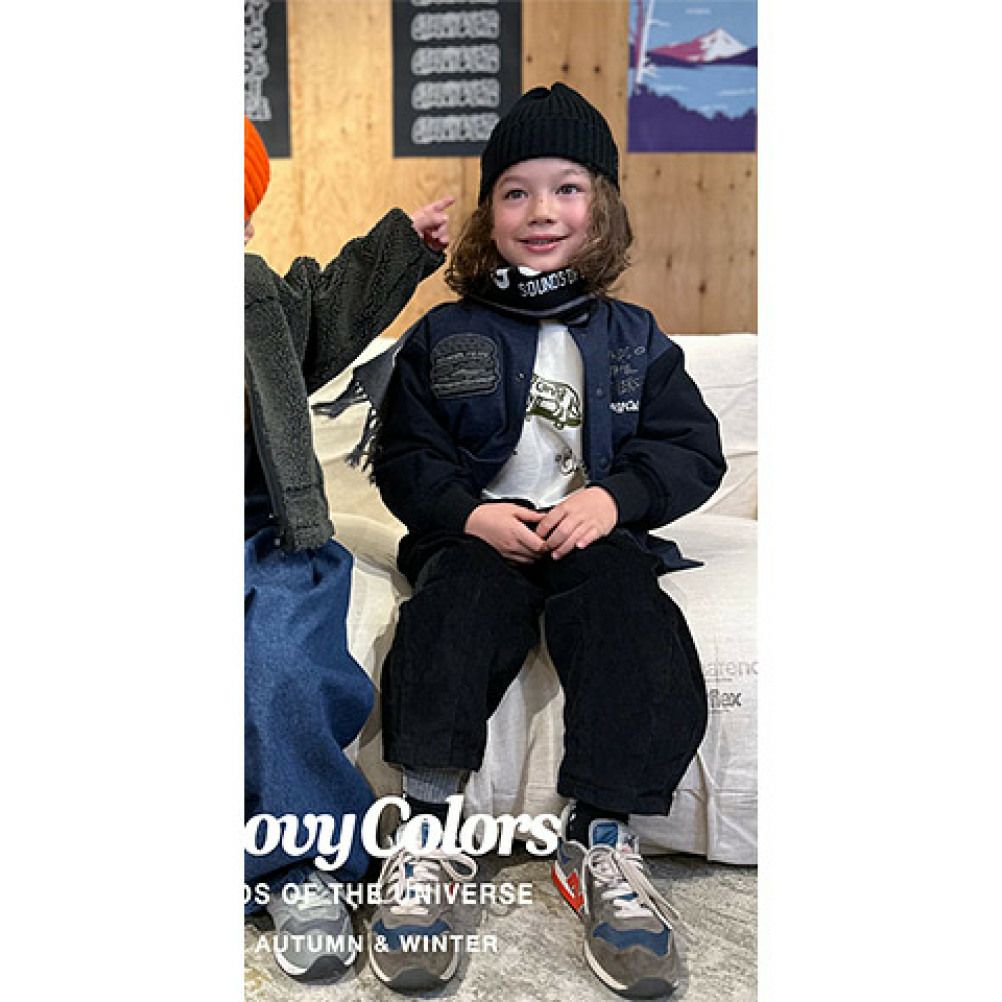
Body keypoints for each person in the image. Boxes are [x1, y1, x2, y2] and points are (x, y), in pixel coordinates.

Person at [367, 84, 726, 998]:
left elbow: (690, 450)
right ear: (489, 212)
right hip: (479, 536)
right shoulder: (445, 331)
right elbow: (406, 455)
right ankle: (427, 831)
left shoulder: (634, 337)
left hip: (593, 536)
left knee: (630, 613)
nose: (541, 211)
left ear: (601, 206)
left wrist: (613, 500)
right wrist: (466, 513)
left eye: (567, 188)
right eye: (515, 191)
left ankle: (600, 836)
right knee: (450, 611)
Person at [242, 116, 453, 984]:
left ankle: (305, 863)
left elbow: (331, 311)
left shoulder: (256, 298)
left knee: (283, 662)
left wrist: (403, 247)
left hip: (266, 525)